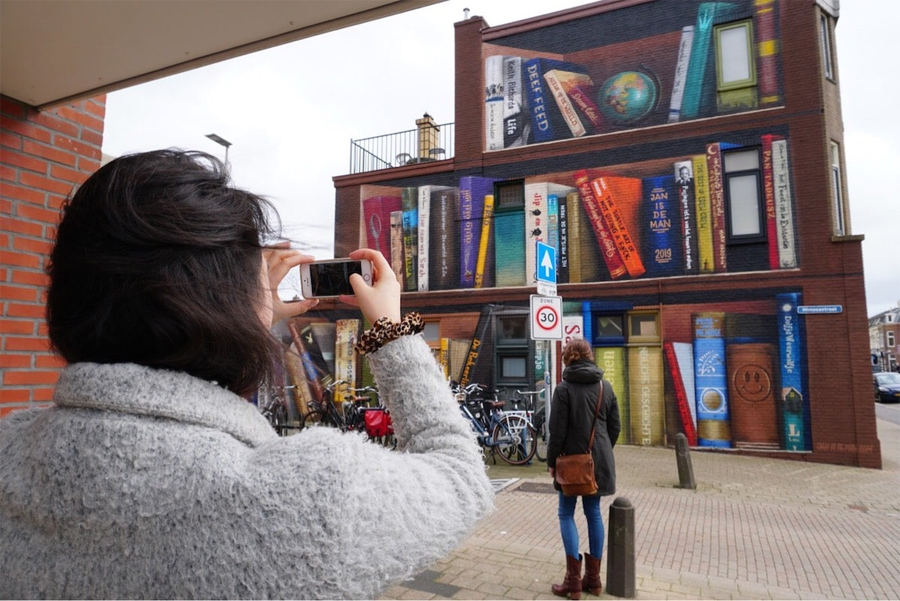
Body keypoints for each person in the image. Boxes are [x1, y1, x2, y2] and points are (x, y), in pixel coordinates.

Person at [0, 149, 494, 599]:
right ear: (227, 301)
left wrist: (250, 313)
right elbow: (459, 476)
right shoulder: (307, 498)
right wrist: (390, 330)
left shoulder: (9, 450)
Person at [546, 338, 621, 600]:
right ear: (589, 356)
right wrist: (599, 453)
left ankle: (573, 582)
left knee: (566, 513)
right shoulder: (605, 387)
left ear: (567, 359)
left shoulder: (563, 390)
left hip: (569, 462)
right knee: (594, 514)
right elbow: (615, 428)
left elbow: (556, 432)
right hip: (598, 463)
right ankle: (594, 580)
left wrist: (552, 462)